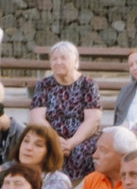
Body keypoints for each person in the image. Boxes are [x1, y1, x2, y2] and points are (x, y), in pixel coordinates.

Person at [32, 43, 104, 180]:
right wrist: (56, 140)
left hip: (82, 136)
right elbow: (37, 118)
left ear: (75, 62)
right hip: (51, 135)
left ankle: (79, 188)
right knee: (43, 147)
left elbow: (93, 119)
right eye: (54, 59)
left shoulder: (88, 84)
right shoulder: (44, 84)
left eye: (63, 58)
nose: (58, 62)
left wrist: (71, 143)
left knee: (81, 151)